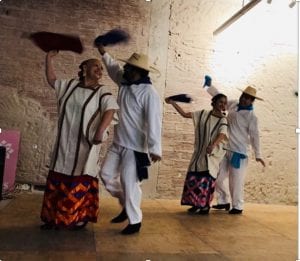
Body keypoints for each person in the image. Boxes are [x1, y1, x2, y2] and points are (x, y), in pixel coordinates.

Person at [40, 50, 119, 230]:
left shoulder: (102, 91)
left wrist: (100, 131)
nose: (100, 70)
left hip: (85, 148)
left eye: (101, 68)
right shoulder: (69, 86)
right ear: (84, 68)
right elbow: (52, 80)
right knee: (58, 177)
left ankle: (79, 218)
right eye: (95, 66)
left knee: (80, 178)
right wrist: (48, 59)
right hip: (63, 145)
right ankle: (53, 218)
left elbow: (111, 109)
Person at [97, 44, 162, 235]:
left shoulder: (150, 93)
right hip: (119, 143)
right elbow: (113, 68)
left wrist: (155, 148)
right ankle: (126, 203)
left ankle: (135, 221)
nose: (124, 70)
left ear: (139, 72)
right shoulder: (125, 82)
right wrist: (103, 52)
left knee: (129, 182)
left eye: (129, 68)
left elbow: (154, 121)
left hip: (135, 148)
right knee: (106, 175)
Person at [203, 76, 266, 214]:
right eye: (244, 96)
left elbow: (255, 137)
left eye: (248, 98)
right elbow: (219, 98)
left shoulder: (252, 117)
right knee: (218, 178)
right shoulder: (233, 104)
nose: (244, 99)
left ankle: (237, 206)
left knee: (236, 182)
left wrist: (258, 154)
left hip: (239, 153)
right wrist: (208, 87)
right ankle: (223, 201)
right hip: (225, 150)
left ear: (252, 101)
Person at [165, 93, 228, 215]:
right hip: (198, 153)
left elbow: (222, 134)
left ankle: (204, 206)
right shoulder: (203, 114)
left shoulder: (223, 119)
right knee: (193, 178)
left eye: (225, 103)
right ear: (214, 102)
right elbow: (185, 115)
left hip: (210, 156)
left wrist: (213, 145)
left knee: (206, 179)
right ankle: (194, 203)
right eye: (220, 102)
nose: (223, 105)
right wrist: (172, 103)